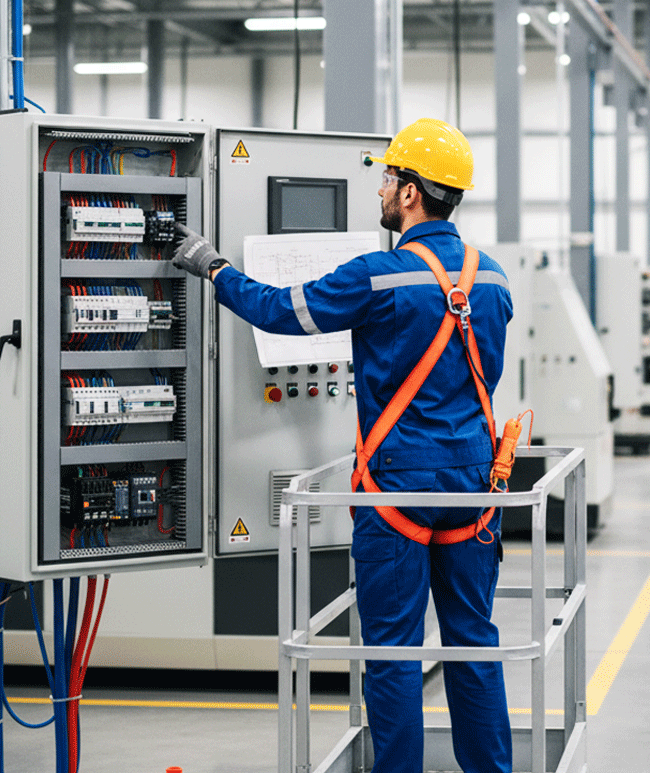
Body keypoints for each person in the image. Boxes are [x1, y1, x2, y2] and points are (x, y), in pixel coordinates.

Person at [172, 118, 514, 773]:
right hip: (474, 484)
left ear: (411, 192)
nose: (381, 189)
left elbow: (280, 311)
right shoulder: (492, 278)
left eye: (388, 178)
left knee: (391, 653)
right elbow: (483, 377)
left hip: (397, 488)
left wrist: (212, 267)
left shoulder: (378, 276)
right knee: (474, 643)